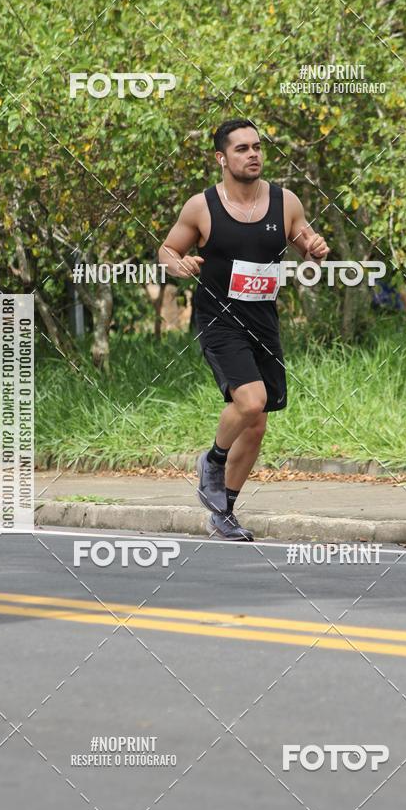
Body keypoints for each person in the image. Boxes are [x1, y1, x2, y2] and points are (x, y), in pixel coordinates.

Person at [158, 118, 328, 540]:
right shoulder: (201, 207)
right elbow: (166, 249)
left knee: (256, 422)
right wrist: (178, 265)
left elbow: (307, 238)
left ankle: (224, 512)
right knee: (251, 401)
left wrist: (315, 248)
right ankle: (213, 461)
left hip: (263, 319)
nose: (253, 154)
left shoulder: (284, 201)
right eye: (241, 149)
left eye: (257, 147)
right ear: (221, 158)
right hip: (219, 318)